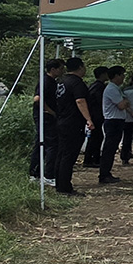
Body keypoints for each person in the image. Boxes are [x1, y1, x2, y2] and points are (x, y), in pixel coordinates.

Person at [54, 58, 93, 196]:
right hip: (73, 123)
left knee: (62, 154)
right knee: (68, 156)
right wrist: (88, 119)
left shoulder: (61, 82)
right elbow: (80, 101)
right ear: (80, 67)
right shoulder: (77, 83)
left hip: (61, 120)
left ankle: (59, 184)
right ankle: (64, 187)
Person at [29, 58, 64, 185]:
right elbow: (37, 99)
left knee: (42, 144)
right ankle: (47, 175)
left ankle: (36, 173)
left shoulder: (53, 81)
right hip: (45, 117)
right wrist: (50, 111)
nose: (62, 71)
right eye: (61, 68)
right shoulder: (46, 81)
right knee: (50, 145)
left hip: (48, 117)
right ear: (53, 69)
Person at [99, 65, 129, 184]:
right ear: (116, 76)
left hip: (117, 121)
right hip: (113, 121)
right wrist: (125, 101)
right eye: (122, 75)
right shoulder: (112, 89)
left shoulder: (116, 88)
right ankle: (104, 174)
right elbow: (122, 105)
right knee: (109, 149)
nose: (123, 77)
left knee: (111, 148)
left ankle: (106, 172)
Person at [82, 66, 109, 168]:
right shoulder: (99, 87)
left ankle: (92, 158)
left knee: (96, 136)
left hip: (95, 114)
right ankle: (92, 159)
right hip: (96, 115)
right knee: (96, 137)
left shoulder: (95, 86)